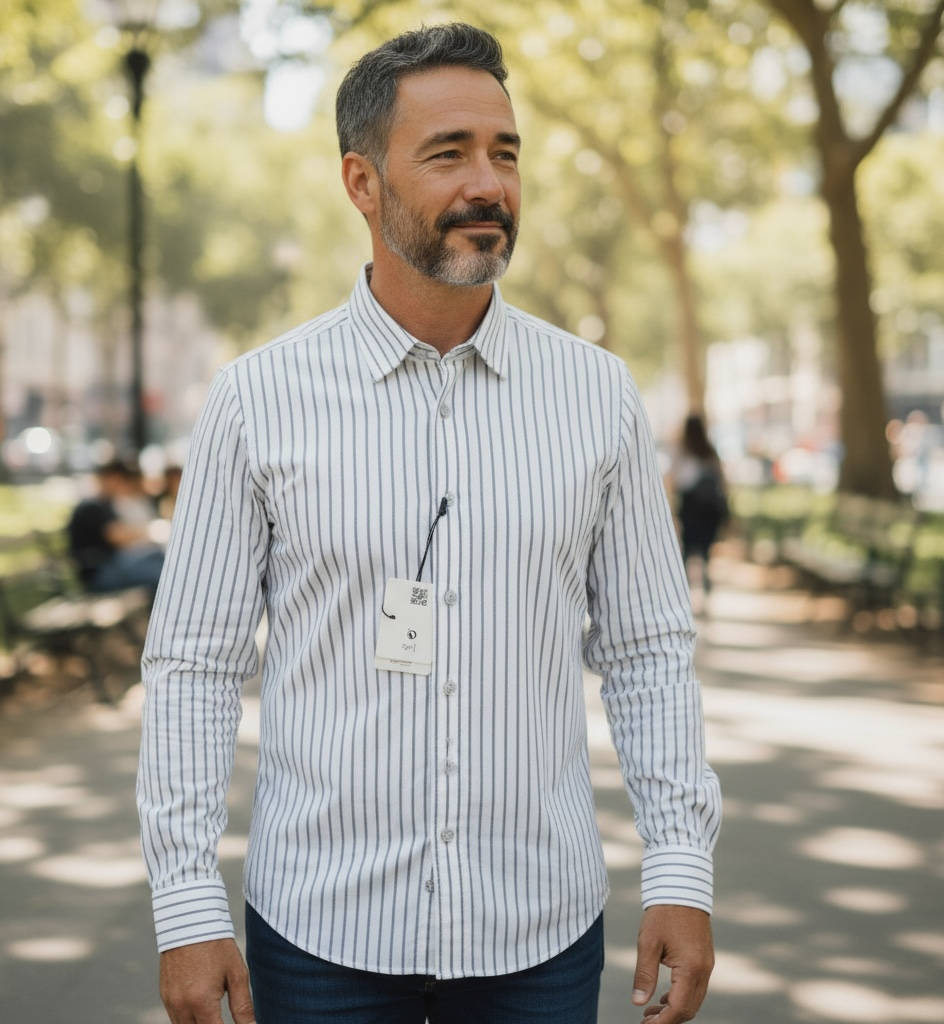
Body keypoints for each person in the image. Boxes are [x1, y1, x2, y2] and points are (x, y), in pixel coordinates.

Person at [137, 23, 720, 1024]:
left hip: (538, 924)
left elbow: (646, 648)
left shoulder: (598, 395)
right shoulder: (255, 399)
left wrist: (679, 863)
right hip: (320, 927)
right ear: (362, 184)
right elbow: (193, 663)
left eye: (504, 152)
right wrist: (186, 904)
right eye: (448, 154)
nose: (486, 182)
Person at [66, 459, 165, 596]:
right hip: (100, 572)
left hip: (113, 565)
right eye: (120, 480)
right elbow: (117, 538)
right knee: (160, 574)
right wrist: (151, 531)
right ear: (110, 478)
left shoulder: (104, 504)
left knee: (161, 560)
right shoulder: (92, 506)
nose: (122, 485)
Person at [670, 415, 729, 600]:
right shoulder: (709, 452)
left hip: (690, 510)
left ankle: (684, 592)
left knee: (688, 551)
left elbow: (677, 481)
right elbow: (721, 481)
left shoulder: (683, 453)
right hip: (709, 513)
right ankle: (704, 584)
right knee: (704, 551)